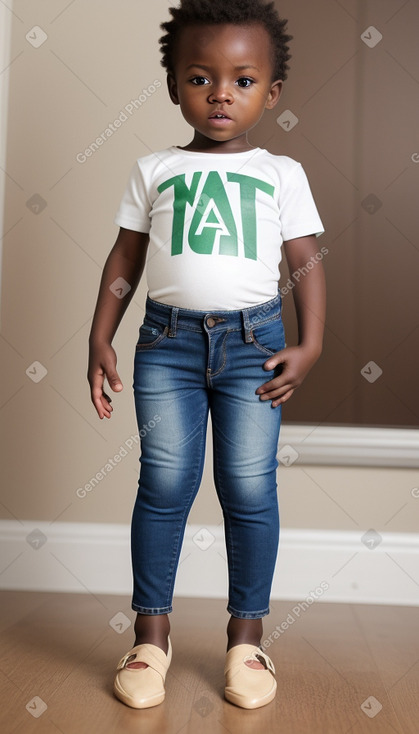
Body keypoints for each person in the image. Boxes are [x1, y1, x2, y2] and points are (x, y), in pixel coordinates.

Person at [87, 0, 326, 712]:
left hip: (255, 346)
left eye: (242, 80)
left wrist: (308, 344)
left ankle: (246, 639)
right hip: (166, 346)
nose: (221, 92)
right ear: (173, 86)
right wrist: (100, 332)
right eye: (200, 77)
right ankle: (150, 639)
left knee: (249, 491)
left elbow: (306, 262)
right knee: (164, 485)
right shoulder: (154, 167)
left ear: (270, 92)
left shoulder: (281, 172)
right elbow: (126, 257)